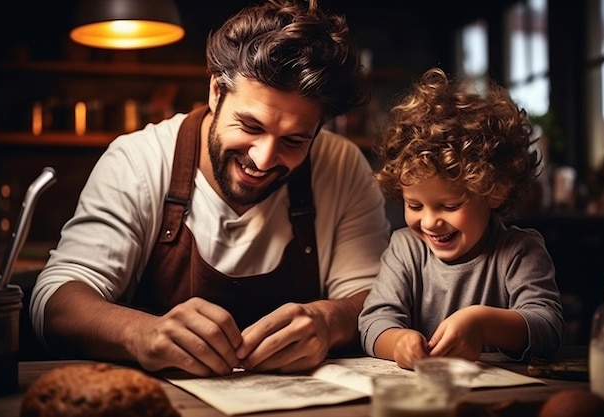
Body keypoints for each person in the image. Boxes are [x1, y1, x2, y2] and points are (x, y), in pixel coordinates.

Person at [30, 0, 390, 377]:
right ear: (217, 92)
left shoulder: (341, 165)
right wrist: (142, 333)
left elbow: (375, 301)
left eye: (294, 141)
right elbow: (55, 302)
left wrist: (328, 320)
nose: (265, 159)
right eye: (251, 127)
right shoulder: (139, 160)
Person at [358, 68, 564, 370]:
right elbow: (374, 322)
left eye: (450, 205)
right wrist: (397, 341)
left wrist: (482, 323)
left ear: (496, 191)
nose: (429, 222)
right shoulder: (405, 250)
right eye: (414, 205)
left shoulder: (520, 251)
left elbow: (548, 328)